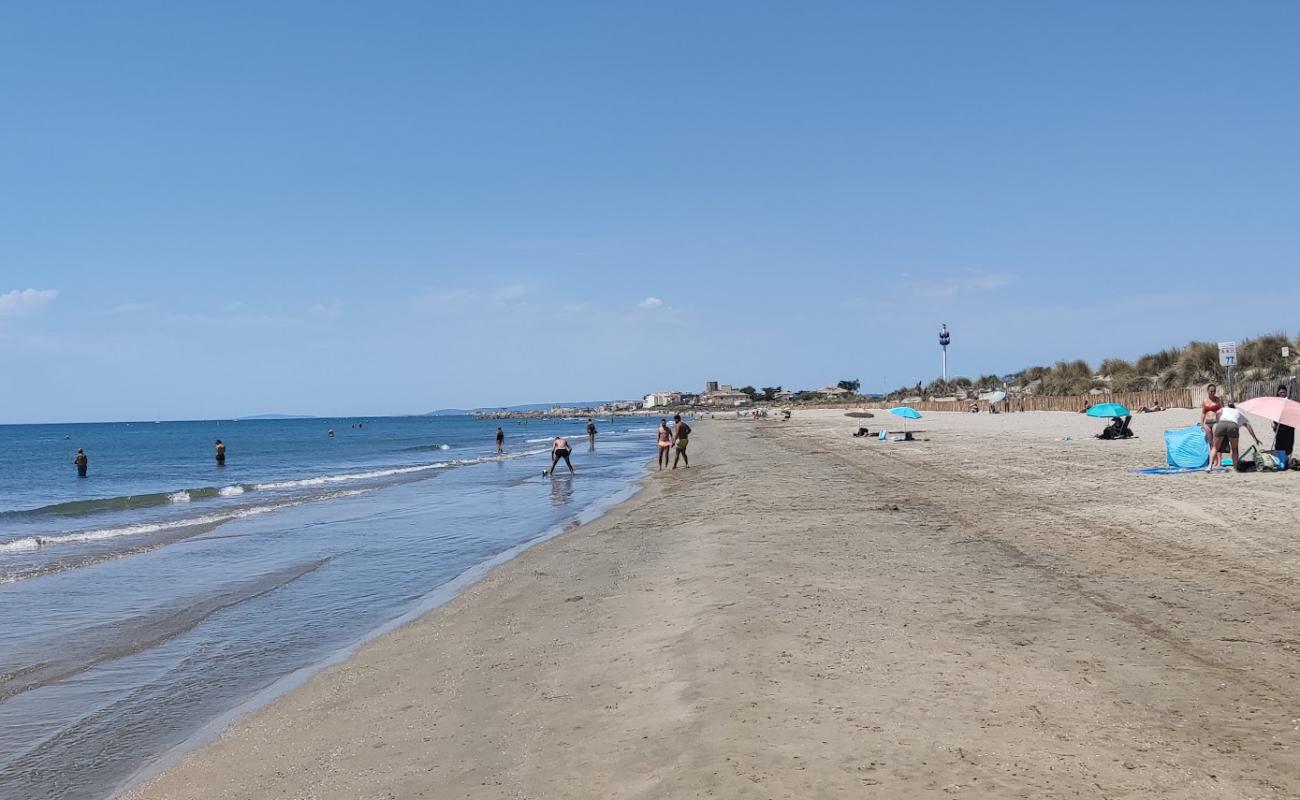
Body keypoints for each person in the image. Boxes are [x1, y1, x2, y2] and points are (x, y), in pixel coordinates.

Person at [1210, 402, 1261, 472]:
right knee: (1234, 449)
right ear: (1234, 407)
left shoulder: (1224, 409)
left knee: (1215, 447)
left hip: (1221, 424)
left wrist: (1218, 420)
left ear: (1228, 406)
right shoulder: (1238, 411)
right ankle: (1235, 468)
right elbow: (1248, 426)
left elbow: (1218, 412)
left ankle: (1209, 466)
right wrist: (1255, 438)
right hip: (1232, 425)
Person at [1273, 384, 1294, 462]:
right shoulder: (1275, 402)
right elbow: (1272, 413)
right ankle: (1280, 460)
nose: (1283, 394)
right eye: (1281, 392)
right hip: (1278, 426)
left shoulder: (1289, 402)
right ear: (1278, 393)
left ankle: (1287, 460)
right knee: (1279, 443)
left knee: (1289, 443)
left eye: (1284, 392)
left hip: (1289, 426)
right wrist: (1272, 423)